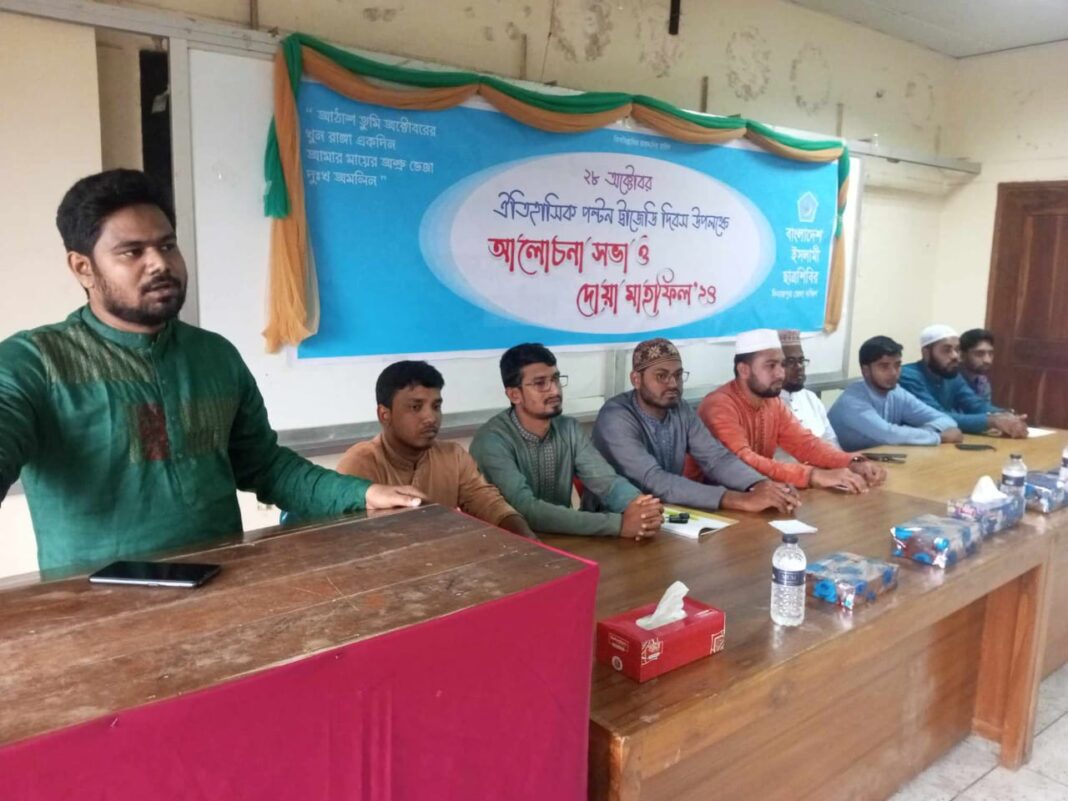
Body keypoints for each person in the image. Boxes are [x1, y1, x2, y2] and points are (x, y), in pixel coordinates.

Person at [0, 169, 425, 572]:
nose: (159, 263)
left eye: (168, 245)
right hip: (97, 608)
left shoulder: (215, 355)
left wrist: (361, 493)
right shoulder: (33, 362)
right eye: (133, 252)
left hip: (223, 589)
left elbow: (265, 465)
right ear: (83, 268)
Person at [470, 343, 663, 539]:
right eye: (540, 383)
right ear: (514, 395)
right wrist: (617, 524)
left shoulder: (569, 428)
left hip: (563, 541)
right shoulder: (491, 441)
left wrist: (641, 507)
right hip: (508, 547)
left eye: (555, 379)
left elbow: (607, 483)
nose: (555, 391)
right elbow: (525, 509)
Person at [592, 338, 800, 514]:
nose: (673, 384)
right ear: (636, 380)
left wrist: (761, 485)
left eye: (678, 375)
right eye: (661, 376)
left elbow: (716, 458)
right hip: (613, 522)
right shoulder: (616, 416)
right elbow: (654, 480)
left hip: (665, 516)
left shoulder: (680, 409)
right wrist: (739, 499)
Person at [336, 361, 536, 539]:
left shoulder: (453, 456)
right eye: (415, 407)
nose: (431, 418)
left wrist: (529, 540)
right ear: (384, 414)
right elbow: (350, 540)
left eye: (436, 406)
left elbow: (489, 504)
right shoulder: (360, 463)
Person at [694, 329, 886, 493]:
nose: (781, 373)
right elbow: (742, 461)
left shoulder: (772, 402)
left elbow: (805, 444)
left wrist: (853, 462)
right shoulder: (719, 406)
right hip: (708, 503)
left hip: (754, 495)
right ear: (744, 370)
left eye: (782, 365)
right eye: (771, 365)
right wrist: (813, 475)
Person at [828, 336, 962, 451]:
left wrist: (923, 433)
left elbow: (946, 420)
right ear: (866, 370)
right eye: (884, 366)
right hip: (844, 466)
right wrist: (938, 437)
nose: (893, 373)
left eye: (897, 365)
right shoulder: (852, 400)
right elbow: (888, 434)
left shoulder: (897, 392)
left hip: (880, 459)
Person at [899, 324, 1027, 438]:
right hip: (915, 443)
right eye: (947, 350)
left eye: (957, 349)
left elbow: (975, 405)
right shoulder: (908, 376)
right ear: (926, 353)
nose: (955, 356)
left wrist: (1007, 416)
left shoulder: (951, 374)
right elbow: (936, 416)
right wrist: (992, 421)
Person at [777, 329, 839, 447]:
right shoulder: (765, 404)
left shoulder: (811, 398)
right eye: (790, 361)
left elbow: (831, 440)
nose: (799, 367)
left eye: (801, 360)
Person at [959, 328, 996, 404]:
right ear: (962, 355)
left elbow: (985, 408)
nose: (987, 360)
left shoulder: (983, 382)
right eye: (979, 354)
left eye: (990, 354)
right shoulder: (950, 381)